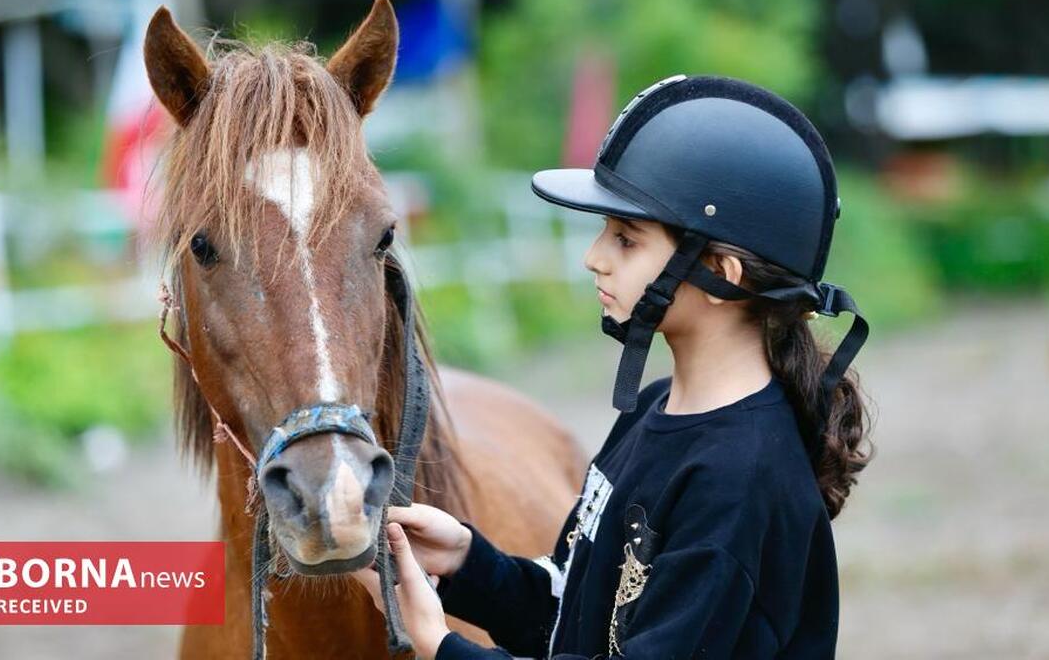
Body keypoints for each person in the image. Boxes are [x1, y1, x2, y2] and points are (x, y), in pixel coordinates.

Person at [353, 75, 874, 658]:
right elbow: (577, 607)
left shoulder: (740, 480)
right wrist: (469, 565)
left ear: (722, 275)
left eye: (626, 239)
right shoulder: (655, 407)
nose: (593, 257)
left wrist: (443, 649)